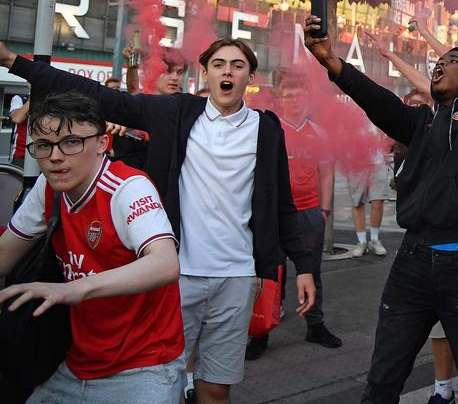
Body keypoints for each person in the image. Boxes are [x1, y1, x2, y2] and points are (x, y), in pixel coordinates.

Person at [0, 37, 316, 404]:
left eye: (237, 65)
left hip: (237, 276)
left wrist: (304, 266)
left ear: (251, 77)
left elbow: (282, 203)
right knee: (169, 379)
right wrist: (11, 59)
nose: (227, 71)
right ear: (207, 73)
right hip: (177, 275)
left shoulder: (267, 129)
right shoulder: (176, 112)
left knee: (216, 389)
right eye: (218, 64)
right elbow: (99, 96)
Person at [303, 0, 458, 404]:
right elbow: (377, 101)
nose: (440, 64)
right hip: (412, 263)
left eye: (453, 61)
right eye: (438, 60)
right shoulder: (420, 122)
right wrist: (333, 63)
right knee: (383, 379)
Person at [0, 91, 184, 403]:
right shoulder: (49, 186)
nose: (55, 156)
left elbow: (165, 263)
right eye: (44, 145)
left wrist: (71, 290)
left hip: (144, 365)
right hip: (73, 362)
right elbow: (5, 255)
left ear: (102, 144)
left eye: (71, 142)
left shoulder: (127, 187)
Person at [246, 73, 342, 359]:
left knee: (311, 271)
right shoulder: (270, 130)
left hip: (309, 212)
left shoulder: (318, 132)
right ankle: (261, 333)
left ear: (307, 98)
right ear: (280, 97)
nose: (294, 99)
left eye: (299, 93)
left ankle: (315, 325)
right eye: (288, 94)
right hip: (275, 215)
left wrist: (324, 210)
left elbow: (327, 173)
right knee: (270, 273)